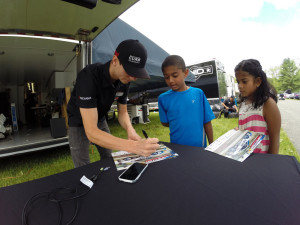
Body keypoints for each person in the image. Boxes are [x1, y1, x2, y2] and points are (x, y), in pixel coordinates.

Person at [67, 39, 159, 167]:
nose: (133, 78)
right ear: (115, 60)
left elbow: (122, 112)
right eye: (130, 71)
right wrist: (133, 146)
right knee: (82, 165)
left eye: (136, 73)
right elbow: (92, 132)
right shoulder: (88, 76)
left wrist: (130, 130)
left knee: (108, 156)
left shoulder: (124, 80)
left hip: (100, 117)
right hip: (77, 121)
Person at [158, 55, 215, 148]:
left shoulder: (198, 93)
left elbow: (207, 121)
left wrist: (212, 145)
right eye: (166, 77)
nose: (171, 80)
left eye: (175, 75)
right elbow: (165, 122)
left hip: (199, 149)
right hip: (177, 149)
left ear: (185, 73)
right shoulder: (163, 98)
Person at [235, 59, 281, 154]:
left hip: (262, 161)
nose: (239, 86)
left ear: (258, 81)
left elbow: (275, 140)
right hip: (243, 158)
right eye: (238, 82)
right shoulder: (243, 104)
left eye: (244, 81)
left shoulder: (268, 104)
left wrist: (270, 164)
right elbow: (245, 130)